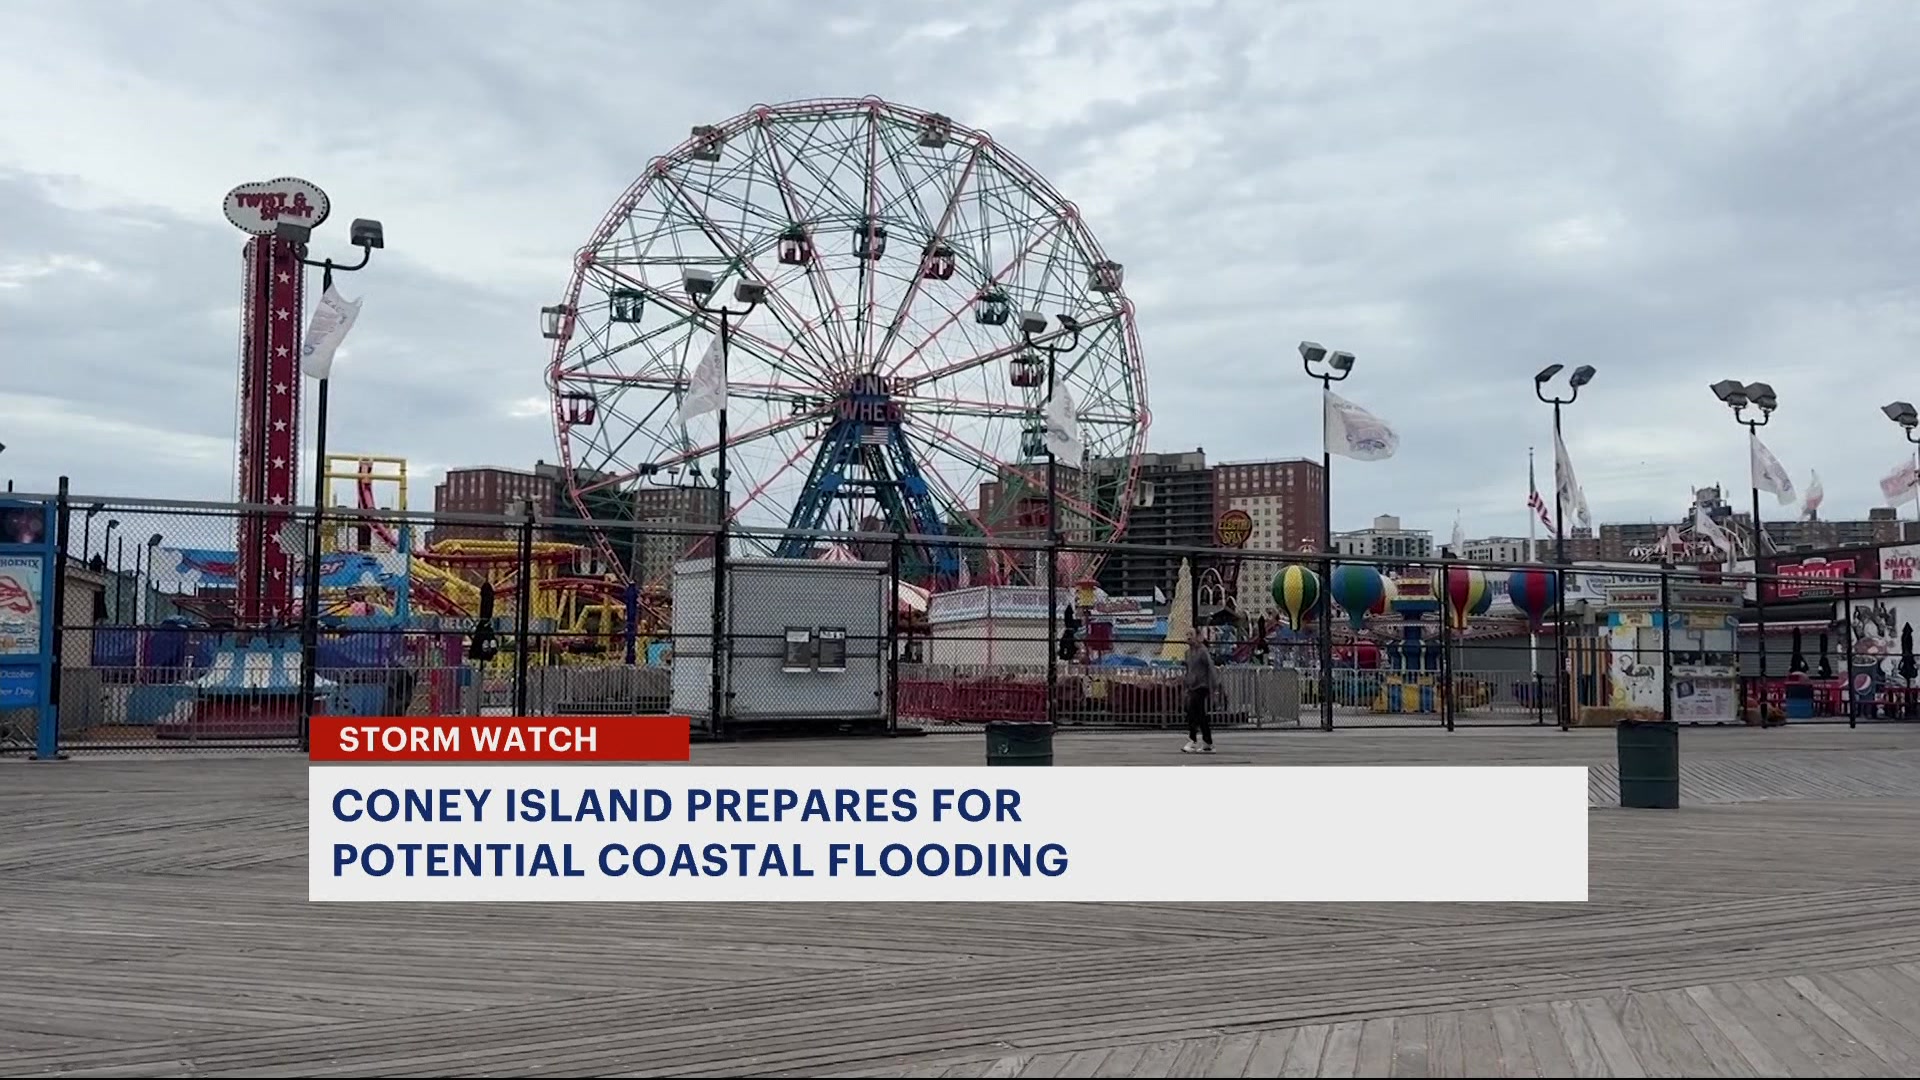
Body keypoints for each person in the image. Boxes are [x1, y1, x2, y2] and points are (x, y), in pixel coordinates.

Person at [1182, 627, 1218, 754]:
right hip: (1192, 686)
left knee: (1193, 712)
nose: (1188, 636)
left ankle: (1193, 740)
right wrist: (1186, 685)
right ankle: (1207, 742)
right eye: (1187, 634)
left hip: (1202, 686)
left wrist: (1214, 687)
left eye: (1191, 634)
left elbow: (1211, 668)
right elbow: (1189, 671)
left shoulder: (1202, 651)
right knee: (1199, 714)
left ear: (1198, 636)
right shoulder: (1187, 653)